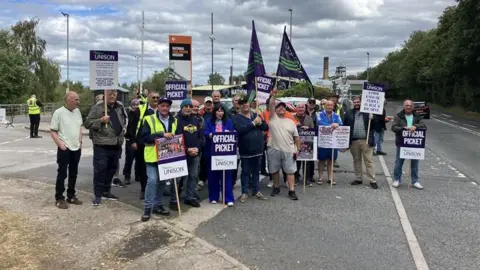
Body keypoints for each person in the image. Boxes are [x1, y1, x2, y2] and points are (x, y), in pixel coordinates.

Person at [85, 89, 127, 205]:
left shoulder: (119, 107)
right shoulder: (98, 107)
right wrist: (101, 120)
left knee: (111, 169)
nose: (112, 96)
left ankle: (106, 191)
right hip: (102, 145)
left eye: (114, 94)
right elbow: (87, 123)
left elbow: (123, 120)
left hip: (116, 144)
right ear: (105, 95)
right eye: (110, 94)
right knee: (100, 170)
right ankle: (98, 195)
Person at [141, 97, 177, 221]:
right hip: (152, 157)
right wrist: (161, 135)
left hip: (166, 157)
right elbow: (145, 137)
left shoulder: (174, 121)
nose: (165, 108)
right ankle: (147, 208)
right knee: (152, 181)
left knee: (162, 182)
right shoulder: (149, 119)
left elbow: (177, 138)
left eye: (167, 106)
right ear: (158, 107)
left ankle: (157, 205)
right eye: (162, 106)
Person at [50, 91, 83, 209]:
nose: (78, 102)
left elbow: (79, 127)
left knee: (74, 172)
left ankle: (71, 195)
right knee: (62, 173)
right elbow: (53, 131)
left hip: (76, 147)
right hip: (65, 147)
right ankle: (59, 197)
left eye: (78, 99)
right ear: (68, 100)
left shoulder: (77, 112)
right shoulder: (58, 113)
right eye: (76, 100)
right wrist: (60, 144)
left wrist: (80, 141)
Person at [232, 96, 269, 203]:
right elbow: (240, 130)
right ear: (239, 105)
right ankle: (244, 192)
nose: (245, 105)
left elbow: (266, 128)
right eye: (242, 103)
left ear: (249, 104)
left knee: (256, 172)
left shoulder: (255, 114)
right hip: (245, 150)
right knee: (245, 172)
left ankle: (256, 190)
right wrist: (253, 123)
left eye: (246, 103)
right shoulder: (236, 118)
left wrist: (260, 122)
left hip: (258, 149)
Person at [125, 91, 160, 199]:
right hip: (142, 143)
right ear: (148, 98)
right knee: (143, 168)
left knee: (158, 168)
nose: (155, 99)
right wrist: (133, 141)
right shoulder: (140, 110)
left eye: (157, 97)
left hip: (159, 144)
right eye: (153, 97)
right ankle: (144, 189)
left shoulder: (162, 110)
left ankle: (158, 189)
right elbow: (132, 126)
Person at [170, 98, 204, 209]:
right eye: (186, 106)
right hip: (180, 154)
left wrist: (197, 148)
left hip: (195, 154)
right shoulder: (176, 120)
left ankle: (189, 197)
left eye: (190, 106)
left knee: (193, 176)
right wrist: (187, 149)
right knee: (178, 178)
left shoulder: (195, 120)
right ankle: (174, 199)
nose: (188, 108)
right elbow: (175, 138)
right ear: (182, 107)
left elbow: (200, 136)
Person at [267, 90, 301, 200]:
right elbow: (271, 104)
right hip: (273, 148)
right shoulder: (272, 118)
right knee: (274, 170)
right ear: (275, 110)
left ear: (286, 110)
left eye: (283, 107)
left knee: (290, 171)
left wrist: (298, 149)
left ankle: (291, 190)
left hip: (289, 150)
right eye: (279, 107)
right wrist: (273, 95)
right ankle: (276, 187)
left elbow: (297, 137)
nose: (281, 108)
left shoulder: (291, 121)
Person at [342, 96, 379, 189]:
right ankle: (358, 178)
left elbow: (376, 127)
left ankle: (372, 180)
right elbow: (344, 126)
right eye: (355, 102)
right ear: (352, 103)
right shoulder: (348, 113)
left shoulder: (368, 112)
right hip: (353, 141)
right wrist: (344, 141)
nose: (356, 103)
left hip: (365, 140)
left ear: (361, 102)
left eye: (358, 102)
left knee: (369, 161)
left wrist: (373, 118)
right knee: (356, 160)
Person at [391, 99, 427, 189]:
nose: (409, 107)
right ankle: (396, 179)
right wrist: (403, 129)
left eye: (410, 105)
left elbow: (424, 126)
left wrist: (415, 126)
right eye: (407, 105)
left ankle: (415, 181)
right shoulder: (399, 116)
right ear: (404, 106)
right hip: (401, 142)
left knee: (415, 164)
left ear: (413, 107)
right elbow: (393, 127)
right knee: (398, 163)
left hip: (415, 144)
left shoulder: (418, 116)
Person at [204, 104, 235, 206]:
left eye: (222, 111)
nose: (220, 113)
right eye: (218, 111)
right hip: (212, 153)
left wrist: (229, 132)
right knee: (213, 176)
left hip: (225, 154)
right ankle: (213, 197)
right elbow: (205, 132)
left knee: (226, 176)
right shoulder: (209, 121)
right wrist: (210, 134)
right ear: (214, 112)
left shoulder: (229, 121)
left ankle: (228, 198)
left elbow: (233, 133)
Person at [316, 100, 343, 185]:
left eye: (331, 105)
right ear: (324, 106)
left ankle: (330, 177)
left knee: (331, 160)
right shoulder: (319, 114)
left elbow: (341, 123)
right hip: (323, 140)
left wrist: (338, 125)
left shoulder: (337, 115)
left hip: (333, 141)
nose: (329, 107)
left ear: (333, 106)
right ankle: (320, 177)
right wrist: (332, 125)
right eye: (328, 105)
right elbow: (319, 123)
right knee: (321, 160)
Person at [294, 103, 315, 186]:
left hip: (307, 142)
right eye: (299, 107)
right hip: (295, 142)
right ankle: (296, 177)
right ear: (296, 108)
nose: (300, 109)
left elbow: (313, 129)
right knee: (296, 161)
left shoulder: (309, 118)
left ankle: (307, 179)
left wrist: (308, 129)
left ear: (305, 108)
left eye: (302, 107)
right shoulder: (292, 117)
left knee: (306, 162)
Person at [122, 99, 139, 184]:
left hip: (138, 139)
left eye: (137, 105)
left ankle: (138, 175)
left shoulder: (140, 114)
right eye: (134, 105)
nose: (135, 106)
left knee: (139, 159)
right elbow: (126, 126)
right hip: (129, 139)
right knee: (129, 159)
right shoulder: (128, 115)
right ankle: (127, 176)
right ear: (131, 106)